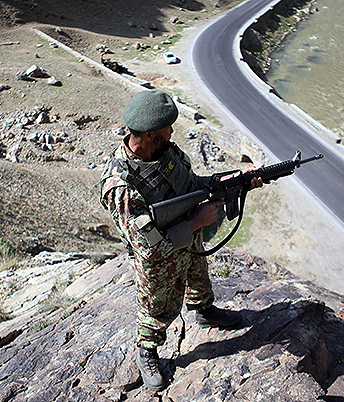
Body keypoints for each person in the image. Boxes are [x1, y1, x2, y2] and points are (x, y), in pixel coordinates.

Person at [100, 90, 262, 390]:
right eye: (166, 129)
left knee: (198, 277)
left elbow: (192, 185)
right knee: (156, 308)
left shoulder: (167, 152)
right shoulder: (121, 186)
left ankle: (203, 311)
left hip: (189, 239)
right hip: (158, 262)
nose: (172, 132)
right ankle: (146, 350)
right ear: (149, 135)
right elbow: (148, 246)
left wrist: (234, 180)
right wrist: (197, 221)